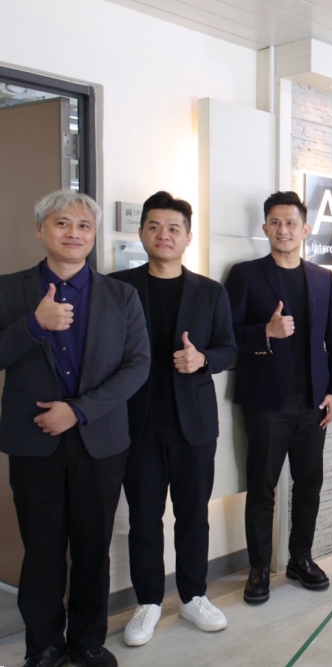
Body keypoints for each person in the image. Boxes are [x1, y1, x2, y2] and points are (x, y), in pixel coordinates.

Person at [0, 191, 150, 667]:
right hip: (33, 443)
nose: (73, 233)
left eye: (84, 225)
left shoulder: (121, 296)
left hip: (99, 442)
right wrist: (33, 325)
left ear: (94, 235)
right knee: (42, 550)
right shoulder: (9, 290)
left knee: (92, 548)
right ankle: (44, 646)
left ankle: (87, 642)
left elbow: (137, 366)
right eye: (62, 223)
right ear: (40, 229)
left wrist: (78, 411)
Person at [110, 192, 237, 646]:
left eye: (173, 228)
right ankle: (147, 602)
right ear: (142, 232)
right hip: (136, 424)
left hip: (194, 424)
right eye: (154, 226)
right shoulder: (117, 287)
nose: (163, 235)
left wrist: (203, 359)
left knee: (193, 515)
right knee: (144, 518)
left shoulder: (210, 291)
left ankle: (193, 595)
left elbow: (228, 349)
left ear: (187, 237)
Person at [225, 191, 332, 605]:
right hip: (266, 403)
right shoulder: (245, 274)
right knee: (262, 487)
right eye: (275, 223)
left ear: (305, 228)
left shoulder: (322, 277)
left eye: (291, 223)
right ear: (265, 228)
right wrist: (265, 332)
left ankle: (300, 558)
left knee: (309, 483)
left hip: (314, 402)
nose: (283, 230)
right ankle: (259, 567)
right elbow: (226, 335)